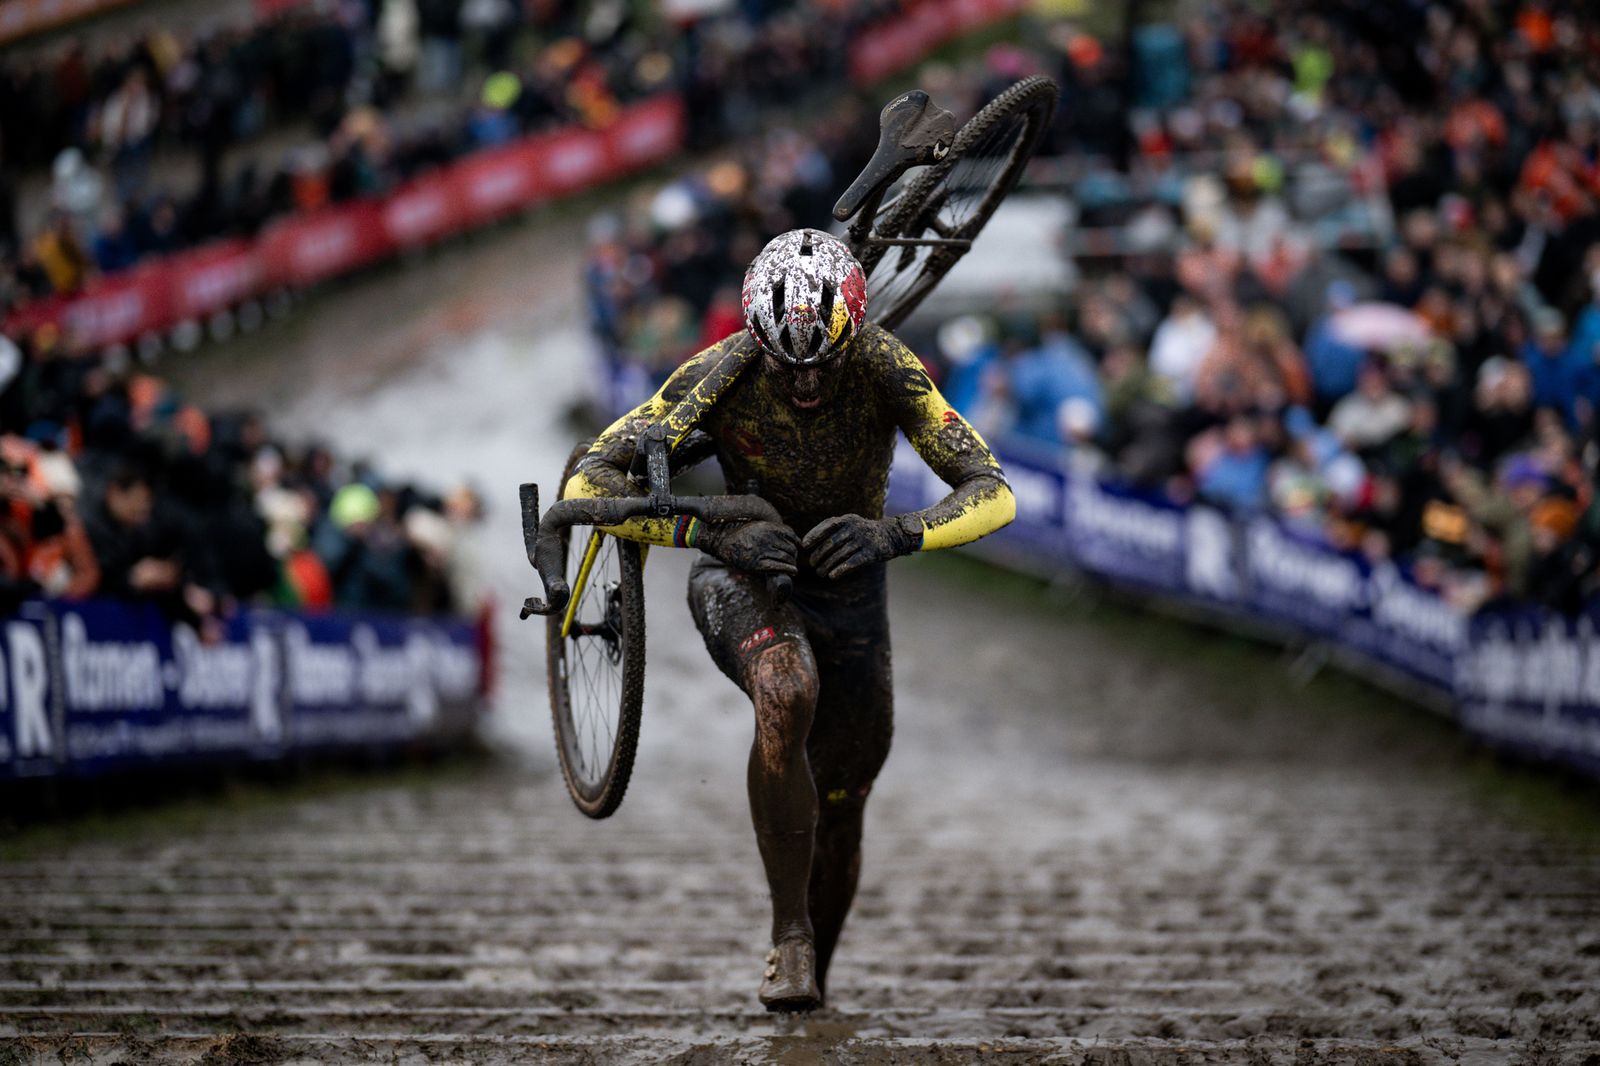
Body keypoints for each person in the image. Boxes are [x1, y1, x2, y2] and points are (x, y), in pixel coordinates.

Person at [565, 229, 1016, 1011]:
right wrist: (708, 530)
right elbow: (586, 483)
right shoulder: (721, 371)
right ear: (755, 343)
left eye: (823, 365)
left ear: (852, 339)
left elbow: (993, 490)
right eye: (786, 366)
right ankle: (790, 940)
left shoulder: (885, 364)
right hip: (742, 573)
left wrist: (897, 532)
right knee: (786, 688)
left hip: (851, 588)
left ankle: (817, 982)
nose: (806, 386)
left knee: (842, 806)